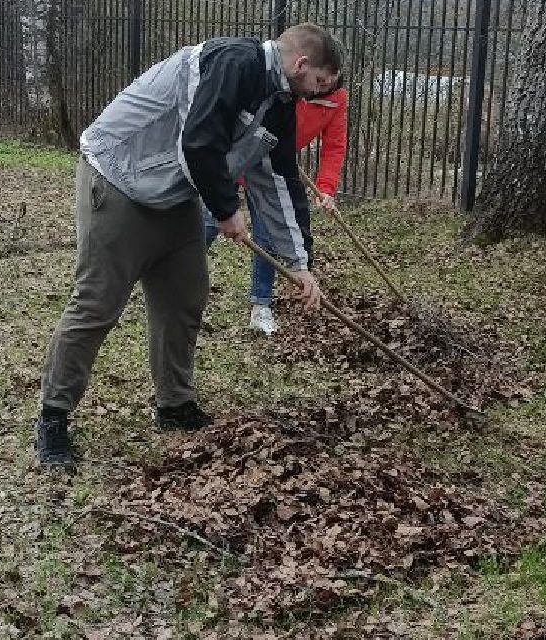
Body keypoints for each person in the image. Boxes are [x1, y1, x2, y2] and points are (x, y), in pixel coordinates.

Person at [34, 23, 346, 469]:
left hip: (173, 192)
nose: (318, 94)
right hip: (119, 176)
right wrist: (225, 211)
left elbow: (279, 184)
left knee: (185, 294)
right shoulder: (230, 63)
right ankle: (53, 417)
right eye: (319, 82)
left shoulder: (279, 102)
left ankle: (174, 404)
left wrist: (299, 263)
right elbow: (197, 140)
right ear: (301, 64)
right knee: (97, 304)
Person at [205, 80, 348, 335]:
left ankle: (261, 306)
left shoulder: (336, 99)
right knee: (206, 225)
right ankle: (178, 288)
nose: (314, 89)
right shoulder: (289, 87)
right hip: (239, 156)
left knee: (268, 235)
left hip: (274, 169)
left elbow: (334, 146)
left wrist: (325, 188)